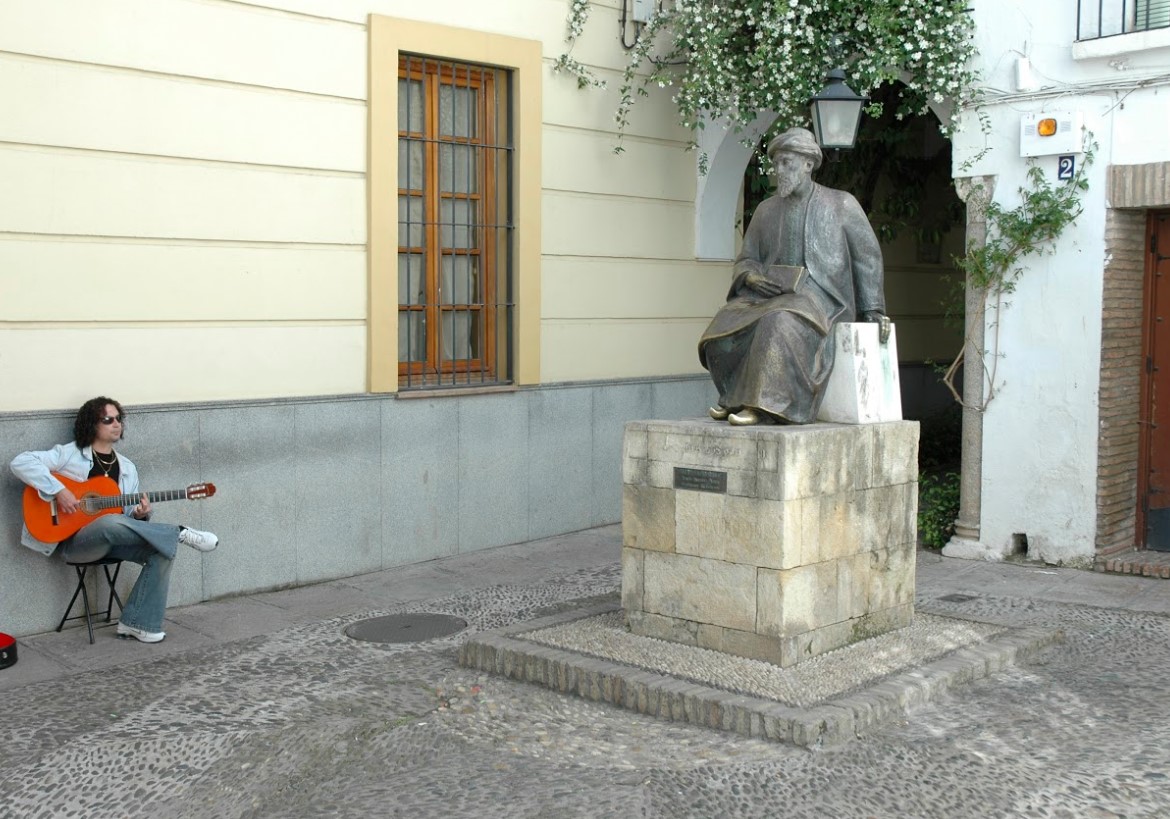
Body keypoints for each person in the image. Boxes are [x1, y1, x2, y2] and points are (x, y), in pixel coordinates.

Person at [698, 127, 887, 425]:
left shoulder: (842, 204)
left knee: (779, 322)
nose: (779, 170)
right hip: (769, 295)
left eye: (787, 163)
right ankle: (733, 398)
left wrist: (872, 309)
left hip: (823, 299)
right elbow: (746, 258)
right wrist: (751, 278)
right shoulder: (765, 210)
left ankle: (761, 405)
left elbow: (868, 258)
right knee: (722, 326)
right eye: (776, 164)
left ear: (808, 164)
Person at [10, 396, 219, 643]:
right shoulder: (70, 454)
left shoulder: (128, 468)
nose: (116, 423)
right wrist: (59, 490)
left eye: (119, 418)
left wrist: (140, 515)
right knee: (108, 522)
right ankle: (178, 531)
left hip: (111, 540)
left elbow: (127, 517)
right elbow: (20, 462)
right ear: (92, 424)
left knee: (160, 551)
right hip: (74, 544)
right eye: (108, 419)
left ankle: (137, 624)